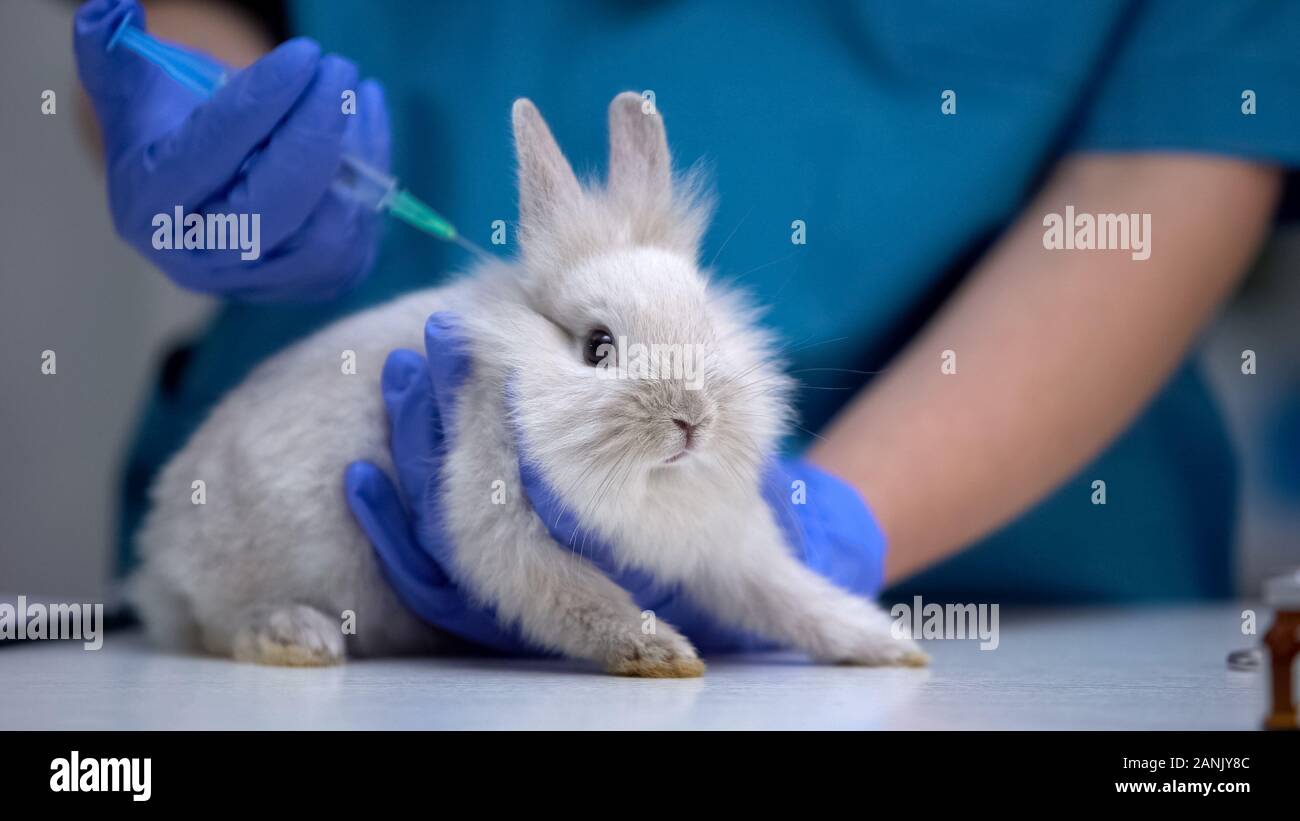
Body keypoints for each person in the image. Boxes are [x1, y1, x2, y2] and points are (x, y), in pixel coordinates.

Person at [74, 0, 1300, 651]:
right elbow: (178, 19)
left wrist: (801, 537)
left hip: (1031, 596)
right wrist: (229, 138)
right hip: (325, 571)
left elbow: (1174, 159)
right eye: (602, 351)